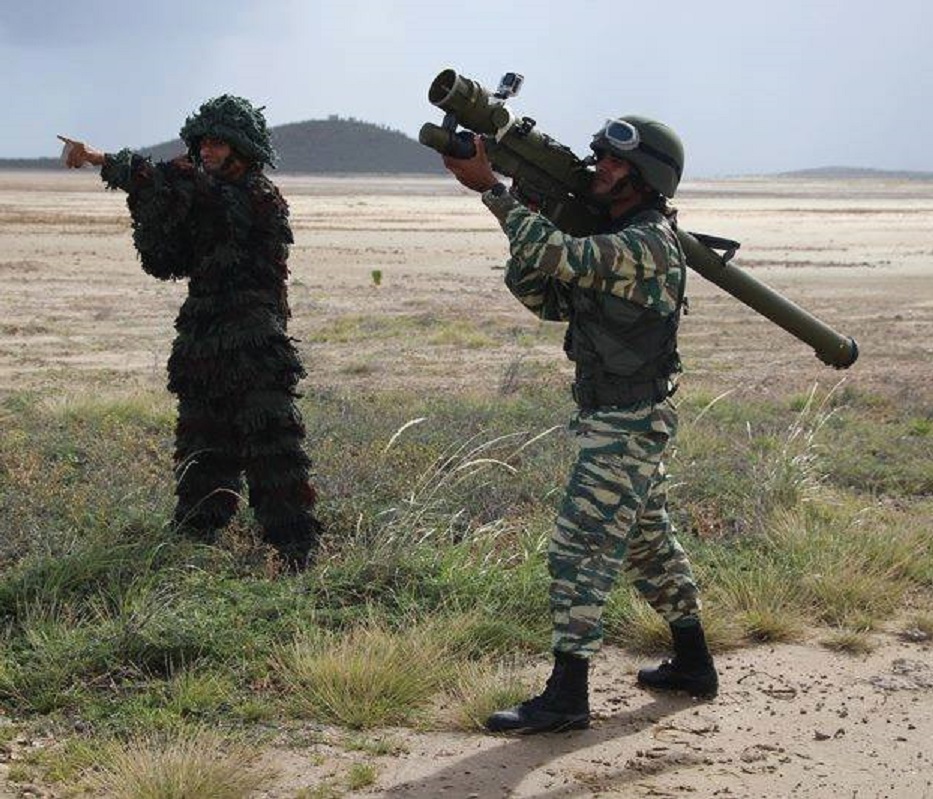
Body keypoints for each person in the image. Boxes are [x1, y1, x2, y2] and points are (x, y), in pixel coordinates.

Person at [442, 116, 718, 734]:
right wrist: (536, 215)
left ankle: (567, 697)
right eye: (600, 157)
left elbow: (562, 256)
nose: (600, 167)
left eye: (615, 163)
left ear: (646, 179)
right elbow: (547, 297)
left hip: (629, 421)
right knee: (647, 542)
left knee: (579, 546)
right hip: (617, 415)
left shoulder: (648, 243)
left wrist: (496, 195)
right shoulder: (612, 239)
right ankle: (695, 664)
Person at [59, 94, 319, 568]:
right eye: (203, 143)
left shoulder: (259, 197)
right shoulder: (205, 194)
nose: (206, 151)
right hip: (202, 343)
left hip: (254, 346)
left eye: (218, 143)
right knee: (203, 446)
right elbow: (169, 259)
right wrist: (153, 204)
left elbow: (195, 193)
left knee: (273, 449)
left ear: (242, 148)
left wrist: (99, 158)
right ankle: (195, 540)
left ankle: (294, 550)